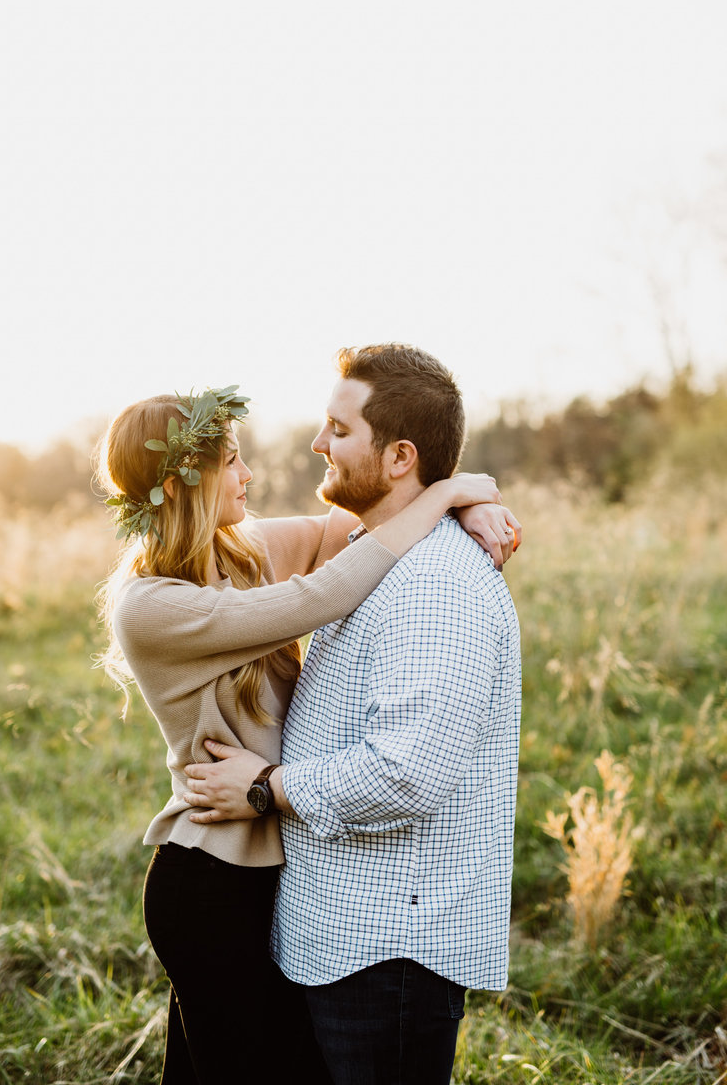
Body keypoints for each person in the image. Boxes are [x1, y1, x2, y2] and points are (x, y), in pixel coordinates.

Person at [96, 379, 520, 1085]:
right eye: (230, 461)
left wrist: (468, 493)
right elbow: (324, 592)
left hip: (273, 870)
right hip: (210, 878)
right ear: (180, 484)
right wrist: (445, 496)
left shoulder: (239, 555)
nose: (249, 474)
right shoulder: (152, 606)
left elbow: (340, 534)